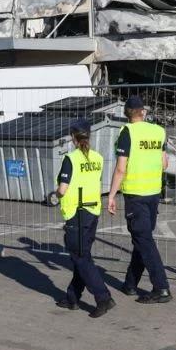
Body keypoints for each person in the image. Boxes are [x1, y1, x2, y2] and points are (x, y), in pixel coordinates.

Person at [106, 95, 172, 304]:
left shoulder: (127, 132)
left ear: (126, 114)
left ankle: (161, 288)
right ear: (143, 112)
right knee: (141, 239)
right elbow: (165, 164)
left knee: (144, 240)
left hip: (135, 195)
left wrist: (111, 195)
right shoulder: (158, 131)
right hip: (153, 194)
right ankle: (130, 284)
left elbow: (120, 168)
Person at [53, 119, 116, 318]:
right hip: (92, 211)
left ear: (73, 137)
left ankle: (103, 297)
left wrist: (55, 193)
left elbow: (62, 189)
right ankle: (72, 298)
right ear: (89, 135)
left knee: (81, 258)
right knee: (83, 256)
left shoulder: (70, 159)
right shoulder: (97, 158)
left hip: (77, 213)